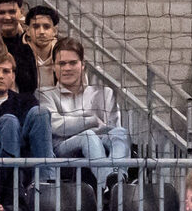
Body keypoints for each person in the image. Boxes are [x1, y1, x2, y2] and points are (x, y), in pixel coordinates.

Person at [38, 38, 130, 173]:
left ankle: (117, 177)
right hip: (63, 151)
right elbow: (58, 127)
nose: (67, 68)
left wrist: (75, 123)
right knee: (88, 136)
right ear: (53, 66)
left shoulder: (104, 93)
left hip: (101, 144)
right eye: (62, 63)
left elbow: (111, 128)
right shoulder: (44, 94)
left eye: (73, 63)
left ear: (82, 65)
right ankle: (109, 181)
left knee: (121, 133)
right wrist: (92, 120)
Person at [25, 4, 61, 81]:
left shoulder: (65, 56)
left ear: (54, 31)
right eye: (36, 27)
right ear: (28, 31)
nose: (41, 32)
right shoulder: (16, 56)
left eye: (46, 27)